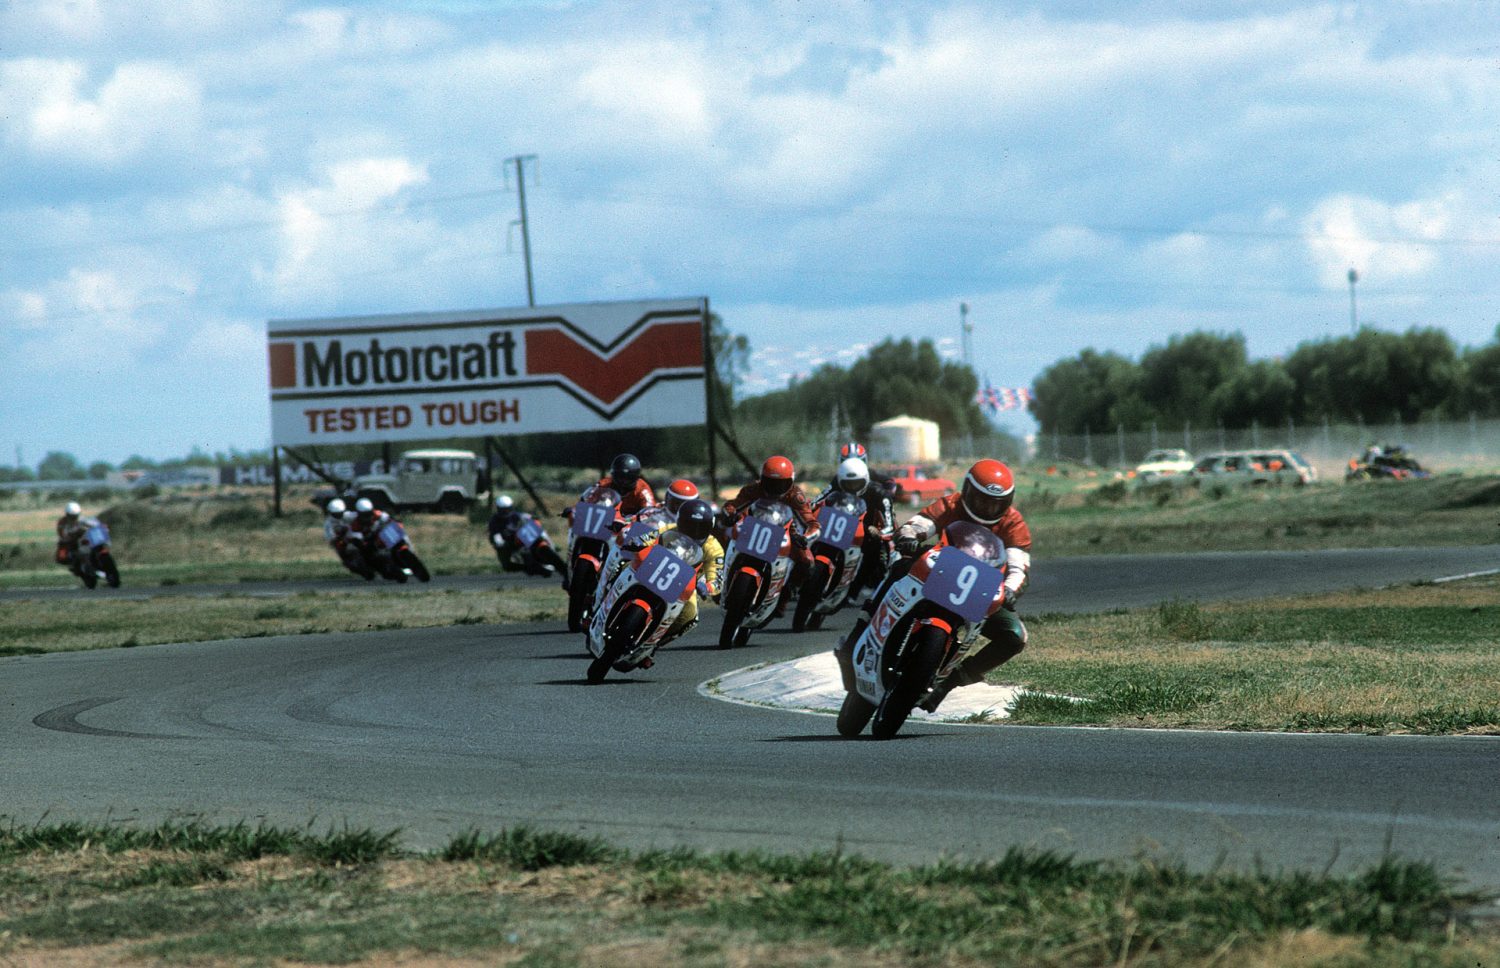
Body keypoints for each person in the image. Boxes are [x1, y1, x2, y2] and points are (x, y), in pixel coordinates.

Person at [835, 458, 1032, 713]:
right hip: (940, 570)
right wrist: (909, 535)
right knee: (900, 566)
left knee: (1015, 636)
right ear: (968, 491)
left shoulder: (1013, 522)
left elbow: (1018, 565)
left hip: (981, 590)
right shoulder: (952, 504)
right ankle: (857, 634)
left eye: (996, 503)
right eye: (982, 499)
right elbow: (922, 522)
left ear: (1007, 501)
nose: (988, 507)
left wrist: (1011, 589)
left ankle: (949, 682)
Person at [720, 456, 821, 608]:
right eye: (771, 483)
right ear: (763, 479)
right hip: (753, 528)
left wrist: (805, 538)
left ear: (791, 481)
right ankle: (724, 581)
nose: (775, 488)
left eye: (781, 484)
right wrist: (729, 514)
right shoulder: (753, 489)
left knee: (807, 562)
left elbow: (812, 523)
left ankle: (784, 596)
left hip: (786, 532)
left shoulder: (795, 496)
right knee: (729, 536)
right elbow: (733, 505)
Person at [642, 497, 724, 646]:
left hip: (685, 584)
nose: (694, 532)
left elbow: (717, 579)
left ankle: (652, 644)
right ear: (680, 521)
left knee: (690, 616)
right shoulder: (669, 528)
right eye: (689, 525)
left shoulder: (714, 547)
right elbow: (648, 537)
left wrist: (706, 587)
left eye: (701, 528)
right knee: (625, 565)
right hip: (655, 568)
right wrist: (638, 542)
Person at [810, 456, 893, 601]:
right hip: (839, 523)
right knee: (813, 538)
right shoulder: (835, 483)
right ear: (841, 481)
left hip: (867, 530)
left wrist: (879, 532)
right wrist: (809, 513)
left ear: (866, 479)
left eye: (857, 483)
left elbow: (890, 525)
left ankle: (853, 593)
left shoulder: (881, 494)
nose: (852, 488)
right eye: (848, 484)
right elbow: (817, 500)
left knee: (875, 555)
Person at [489, 494, 567, 576]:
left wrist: (536, 526)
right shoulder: (494, 520)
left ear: (511, 507)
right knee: (507, 566)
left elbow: (531, 522)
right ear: (498, 509)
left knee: (541, 540)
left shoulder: (519, 516)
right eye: (503, 510)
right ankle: (530, 568)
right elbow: (495, 534)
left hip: (523, 538)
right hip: (508, 543)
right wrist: (498, 540)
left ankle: (552, 553)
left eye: (507, 509)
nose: (505, 512)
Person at [54, 501, 100, 570]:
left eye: (75, 516)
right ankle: (74, 564)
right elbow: (62, 534)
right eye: (71, 516)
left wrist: (100, 527)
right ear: (67, 514)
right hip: (67, 542)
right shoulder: (62, 522)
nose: (73, 518)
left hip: (81, 540)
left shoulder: (82, 519)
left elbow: (94, 525)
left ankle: (93, 562)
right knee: (61, 558)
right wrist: (74, 534)